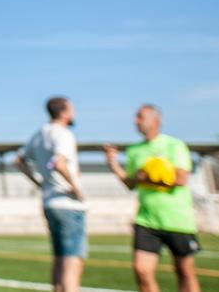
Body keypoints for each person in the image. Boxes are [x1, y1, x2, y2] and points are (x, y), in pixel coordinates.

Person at [104, 105, 202, 292]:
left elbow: (180, 179)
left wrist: (147, 176)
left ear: (156, 120)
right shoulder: (134, 151)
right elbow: (130, 183)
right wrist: (113, 163)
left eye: (140, 117)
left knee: (185, 271)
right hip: (146, 220)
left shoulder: (174, 145)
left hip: (178, 219)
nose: (135, 121)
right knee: (142, 271)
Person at [15, 96, 87, 292]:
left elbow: (18, 160)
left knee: (59, 260)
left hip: (49, 202)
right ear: (64, 113)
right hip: (68, 204)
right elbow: (59, 163)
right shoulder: (64, 134)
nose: (74, 113)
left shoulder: (39, 134)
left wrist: (39, 181)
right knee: (72, 263)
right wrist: (76, 187)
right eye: (72, 109)